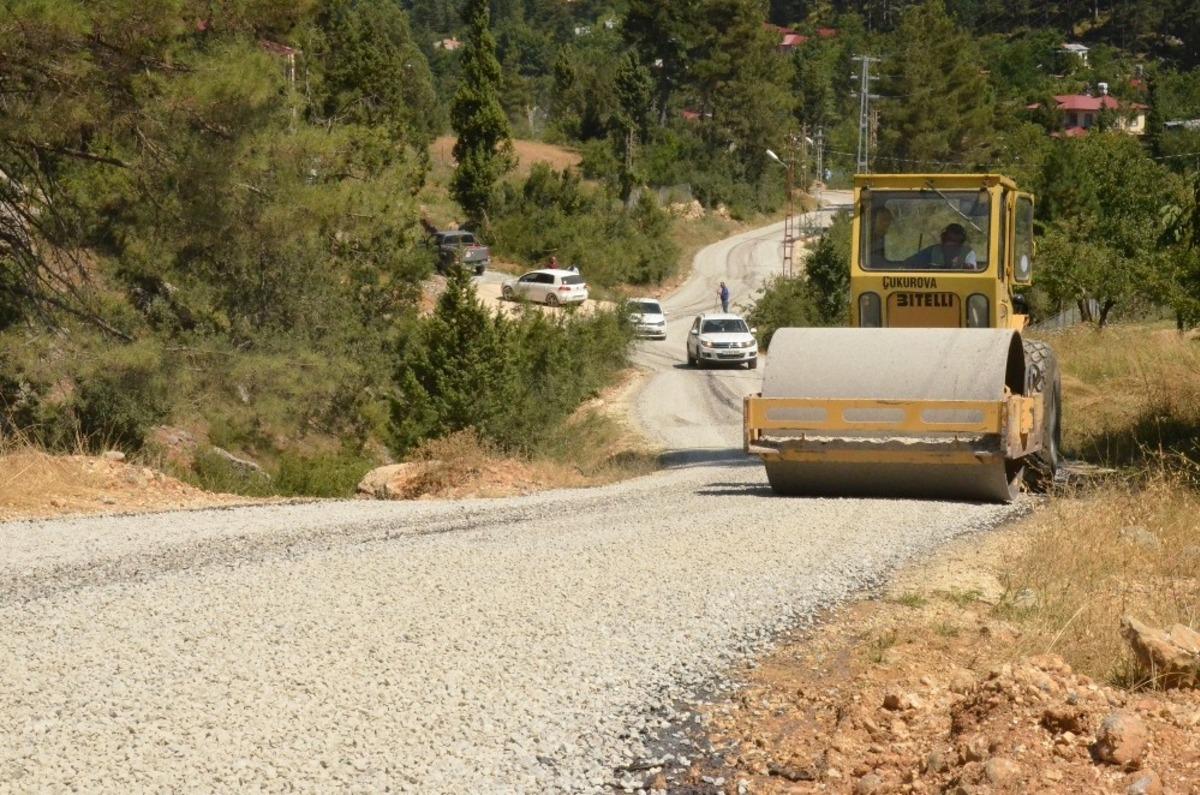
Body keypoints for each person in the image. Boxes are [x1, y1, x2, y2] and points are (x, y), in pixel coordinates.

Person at [907, 222, 977, 269]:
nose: (951, 245)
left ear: (961, 241)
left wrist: (967, 267)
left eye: (955, 241)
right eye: (949, 239)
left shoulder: (968, 253)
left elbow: (972, 269)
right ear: (943, 239)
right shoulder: (933, 251)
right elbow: (909, 263)